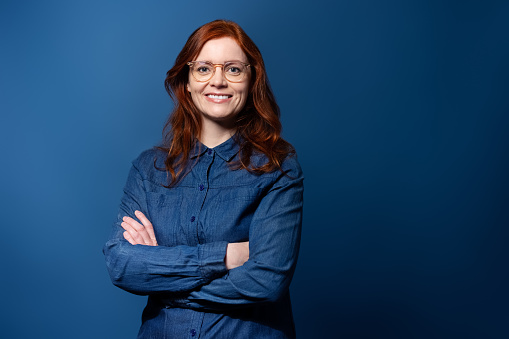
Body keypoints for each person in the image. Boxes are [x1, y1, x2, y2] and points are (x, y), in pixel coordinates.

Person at [103, 19, 304, 338]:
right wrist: (227, 255)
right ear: (186, 80)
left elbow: (267, 280)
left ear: (252, 80)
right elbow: (123, 265)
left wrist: (161, 275)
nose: (218, 81)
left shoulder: (277, 166)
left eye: (233, 69)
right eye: (204, 68)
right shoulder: (147, 169)